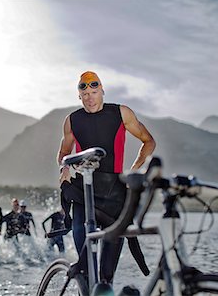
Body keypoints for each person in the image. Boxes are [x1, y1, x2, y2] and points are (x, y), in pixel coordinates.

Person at [58, 71, 156, 283]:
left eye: (94, 92)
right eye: (85, 94)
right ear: (79, 96)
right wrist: (64, 169)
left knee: (106, 276)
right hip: (85, 193)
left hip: (115, 195)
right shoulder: (72, 120)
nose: (90, 97)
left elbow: (148, 141)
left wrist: (133, 170)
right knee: (85, 267)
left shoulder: (121, 113)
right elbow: (64, 153)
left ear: (102, 91)